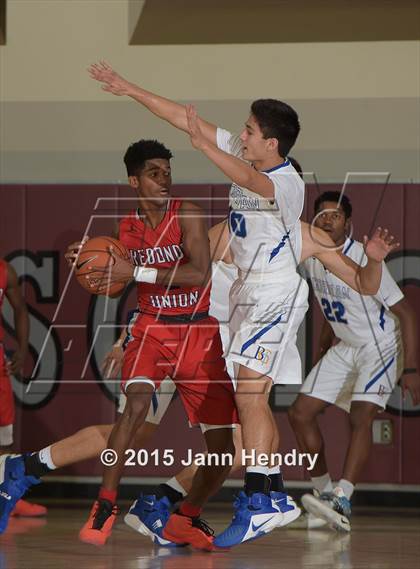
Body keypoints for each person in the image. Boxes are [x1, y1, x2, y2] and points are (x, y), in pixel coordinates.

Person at [85, 62, 400, 547]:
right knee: (251, 404)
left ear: (271, 143)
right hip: (244, 298)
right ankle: (261, 490)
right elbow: (182, 118)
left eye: (249, 130)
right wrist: (129, 89)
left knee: (252, 394)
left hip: (275, 293)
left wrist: (204, 147)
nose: (242, 134)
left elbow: (361, 279)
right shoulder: (244, 179)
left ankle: (260, 499)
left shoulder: (287, 184)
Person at [288, 191, 420, 532]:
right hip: (345, 345)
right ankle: (323, 494)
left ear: (348, 222)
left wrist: (411, 368)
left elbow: (406, 313)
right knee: (300, 413)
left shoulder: (362, 257)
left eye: (335, 215)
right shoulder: (312, 256)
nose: (327, 219)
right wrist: (322, 341)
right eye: (321, 214)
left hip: (380, 344)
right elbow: (328, 302)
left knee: (361, 414)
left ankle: (343, 497)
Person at [0, 258, 46, 528]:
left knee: (4, 433)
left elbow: (20, 309)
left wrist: (21, 347)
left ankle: (9, 496)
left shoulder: (5, 270)